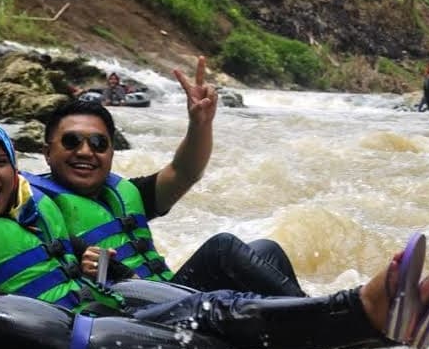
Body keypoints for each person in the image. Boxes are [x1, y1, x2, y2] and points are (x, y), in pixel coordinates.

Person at [0, 63, 429, 349]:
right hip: (83, 327)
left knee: (245, 265)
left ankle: (368, 322)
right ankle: (360, 314)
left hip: (110, 307)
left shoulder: (33, 207)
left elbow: (179, 175)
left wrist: (200, 124)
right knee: (217, 300)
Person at [26, 57, 308, 297]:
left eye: (99, 143)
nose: (85, 152)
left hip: (170, 296)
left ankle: (309, 327)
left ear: (111, 152)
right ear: (48, 152)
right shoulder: (31, 207)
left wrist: (200, 125)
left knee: (267, 250)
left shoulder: (126, 194)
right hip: (135, 316)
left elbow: (185, 172)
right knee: (222, 248)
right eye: (72, 141)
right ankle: (327, 317)